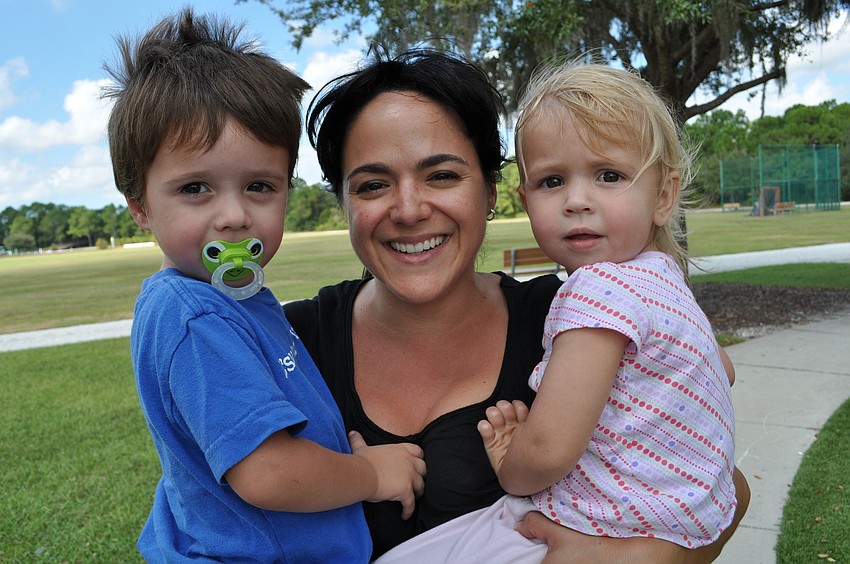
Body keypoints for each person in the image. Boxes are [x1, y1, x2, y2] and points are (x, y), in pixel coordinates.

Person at [284, 48, 749, 562]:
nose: (410, 209)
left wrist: (633, 558)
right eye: (372, 185)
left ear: (491, 191)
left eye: (442, 175)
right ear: (344, 204)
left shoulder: (566, 319)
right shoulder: (285, 343)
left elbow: (726, 487)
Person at [104, 9, 425, 561]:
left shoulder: (235, 298)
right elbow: (269, 474)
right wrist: (367, 475)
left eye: (259, 185)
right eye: (195, 188)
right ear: (140, 205)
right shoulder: (194, 316)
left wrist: (328, 451)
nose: (233, 216)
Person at [474, 61, 737, 550]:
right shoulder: (661, 275)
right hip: (696, 507)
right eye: (551, 181)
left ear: (663, 196)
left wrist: (511, 465)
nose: (576, 200)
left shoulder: (596, 291)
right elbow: (723, 369)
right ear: (525, 198)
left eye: (609, 175)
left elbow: (550, 450)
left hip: (617, 521)